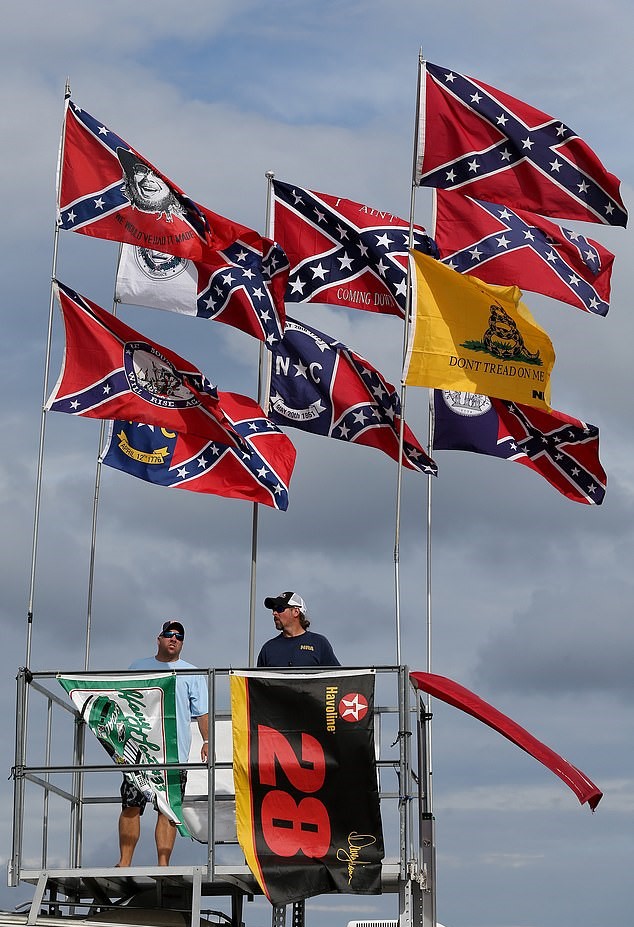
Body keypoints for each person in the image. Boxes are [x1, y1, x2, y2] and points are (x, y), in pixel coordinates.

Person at [117, 620, 208, 867]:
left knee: (167, 810)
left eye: (179, 636)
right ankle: (124, 861)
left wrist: (207, 740)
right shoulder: (138, 667)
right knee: (131, 805)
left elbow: (202, 713)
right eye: (169, 634)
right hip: (139, 750)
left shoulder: (192, 672)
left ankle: (163, 864)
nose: (174, 638)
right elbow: (121, 702)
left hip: (174, 753)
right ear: (159, 639)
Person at [257, 591, 340, 667]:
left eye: (279, 609)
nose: (274, 613)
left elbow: (336, 675)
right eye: (274, 609)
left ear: (296, 612)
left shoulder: (319, 643)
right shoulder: (268, 648)